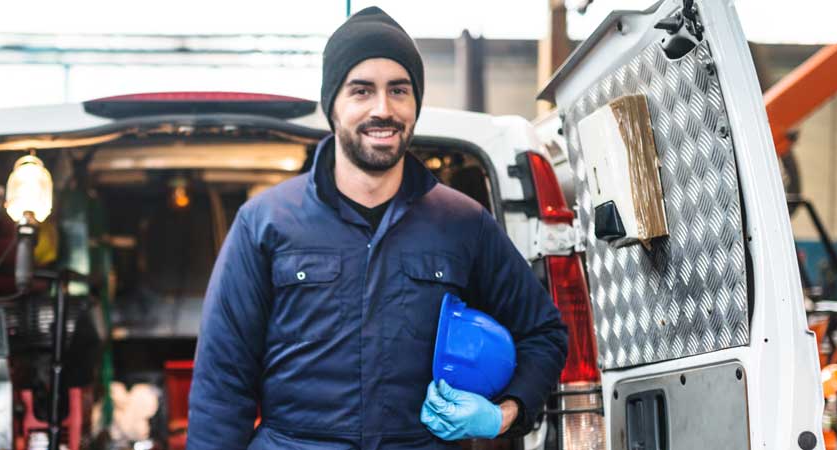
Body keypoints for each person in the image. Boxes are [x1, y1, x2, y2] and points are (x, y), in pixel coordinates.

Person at [188, 7, 568, 449]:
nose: (382, 110)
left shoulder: (463, 224)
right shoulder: (267, 222)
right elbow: (222, 381)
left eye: (399, 90)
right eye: (362, 91)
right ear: (333, 104)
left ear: (415, 104)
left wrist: (504, 415)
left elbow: (544, 334)